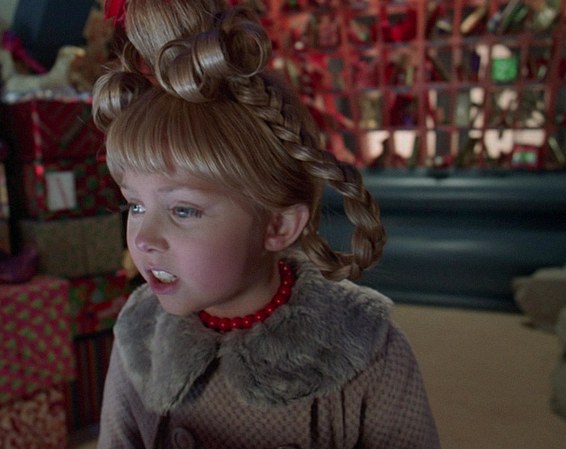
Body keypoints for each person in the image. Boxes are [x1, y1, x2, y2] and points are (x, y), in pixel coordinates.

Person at [91, 1, 440, 447]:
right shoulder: (139, 334)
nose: (143, 238)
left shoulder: (368, 350)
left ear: (277, 226)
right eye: (136, 206)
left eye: (183, 211)